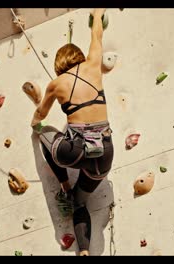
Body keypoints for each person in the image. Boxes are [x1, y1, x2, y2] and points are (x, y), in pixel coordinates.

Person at [30, 8, 113, 256]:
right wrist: (98, 14)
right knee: (80, 202)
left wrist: (35, 122)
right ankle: (85, 251)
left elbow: (41, 114)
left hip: (74, 152)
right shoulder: (94, 65)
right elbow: (96, 35)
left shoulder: (56, 84)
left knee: (44, 132)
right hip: (104, 156)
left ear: (59, 65)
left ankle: (64, 182)